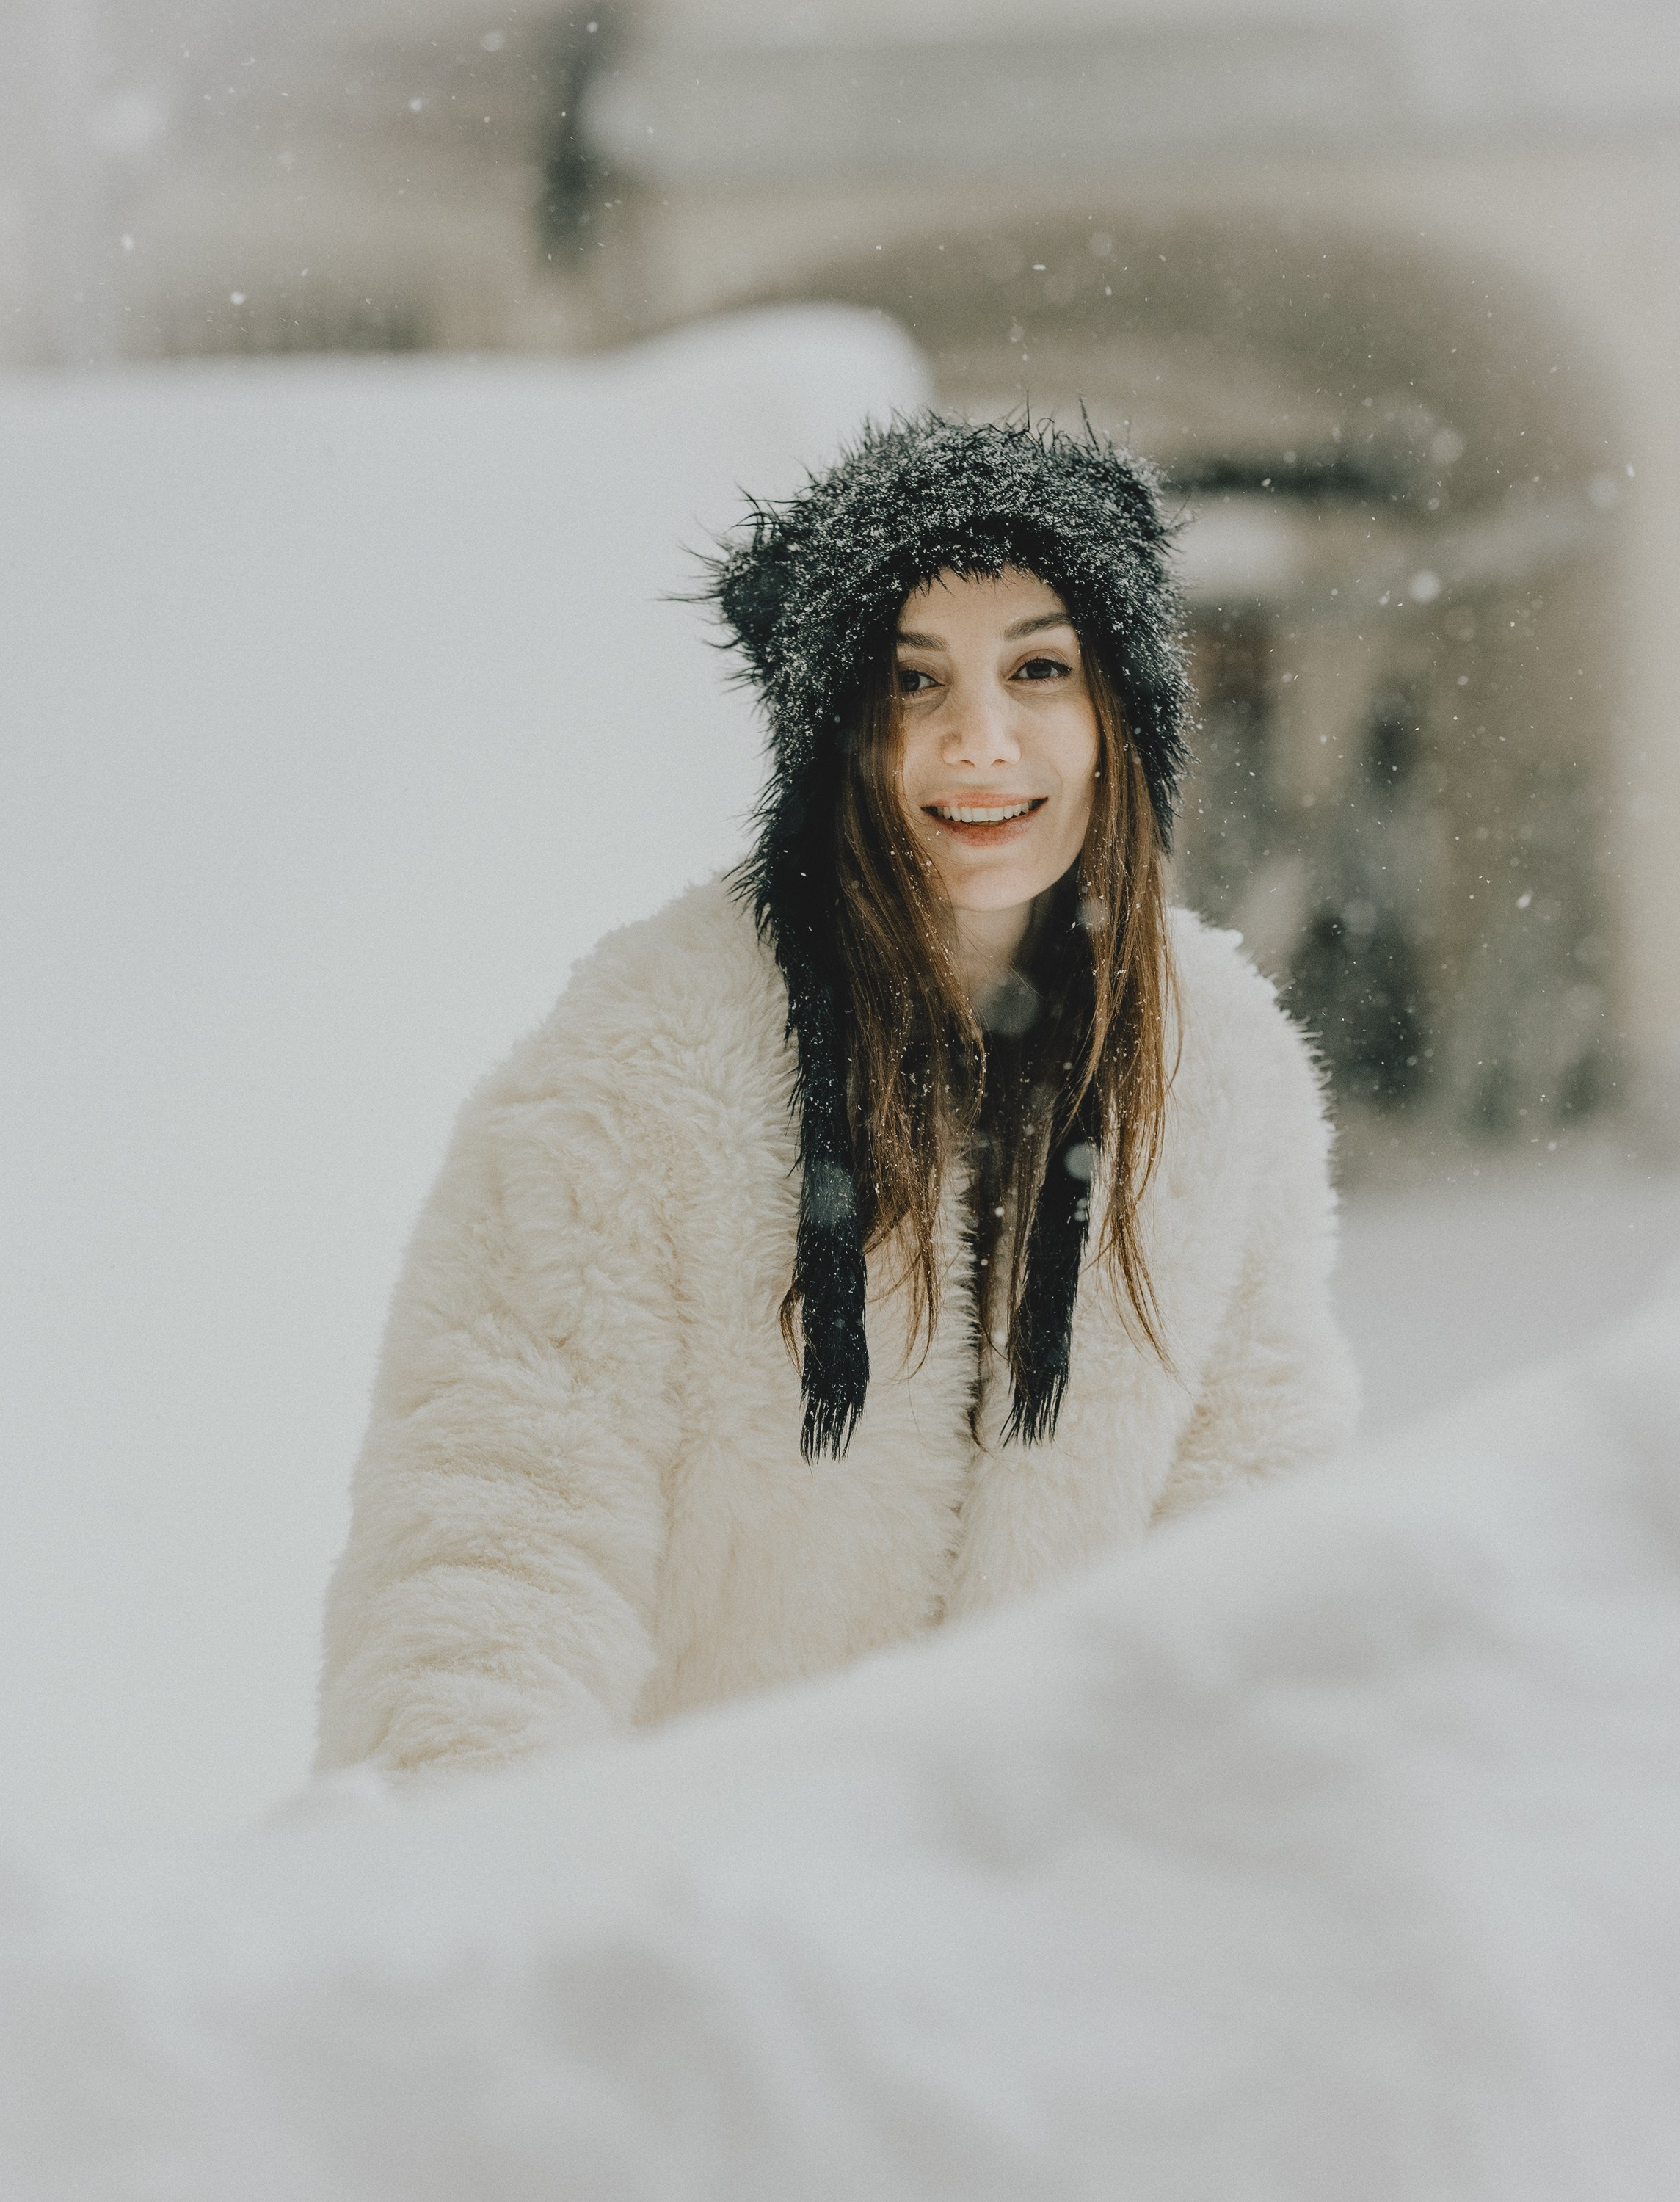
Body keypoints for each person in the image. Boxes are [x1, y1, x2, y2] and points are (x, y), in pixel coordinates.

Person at [314, 415, 1359, 1781]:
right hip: (706, 1931)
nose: (979, 742)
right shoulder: (632, 1080)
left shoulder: (1218, 1073)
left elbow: (1258, 1553)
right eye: (909, 682)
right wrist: (511, 1930)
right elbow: (489, 1574)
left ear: (1119, 714)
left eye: (1038, 668)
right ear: (833, 738)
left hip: (1051, 1912)